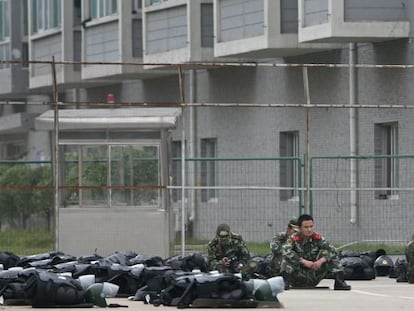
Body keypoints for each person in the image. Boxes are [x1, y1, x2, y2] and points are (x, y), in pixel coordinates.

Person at [281, 214, 351, 290]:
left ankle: (339, 282)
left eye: (311, 226)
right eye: (306, 227)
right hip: (297, 276)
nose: (309, 230)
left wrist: (320, 261)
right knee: (287, 258)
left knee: (331, 256)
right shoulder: (293, 239)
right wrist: (303, 261)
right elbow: (285, 251)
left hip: (314, 273)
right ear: (300, 228)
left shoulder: (317, 238)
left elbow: (333, 250)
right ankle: (285, 282)